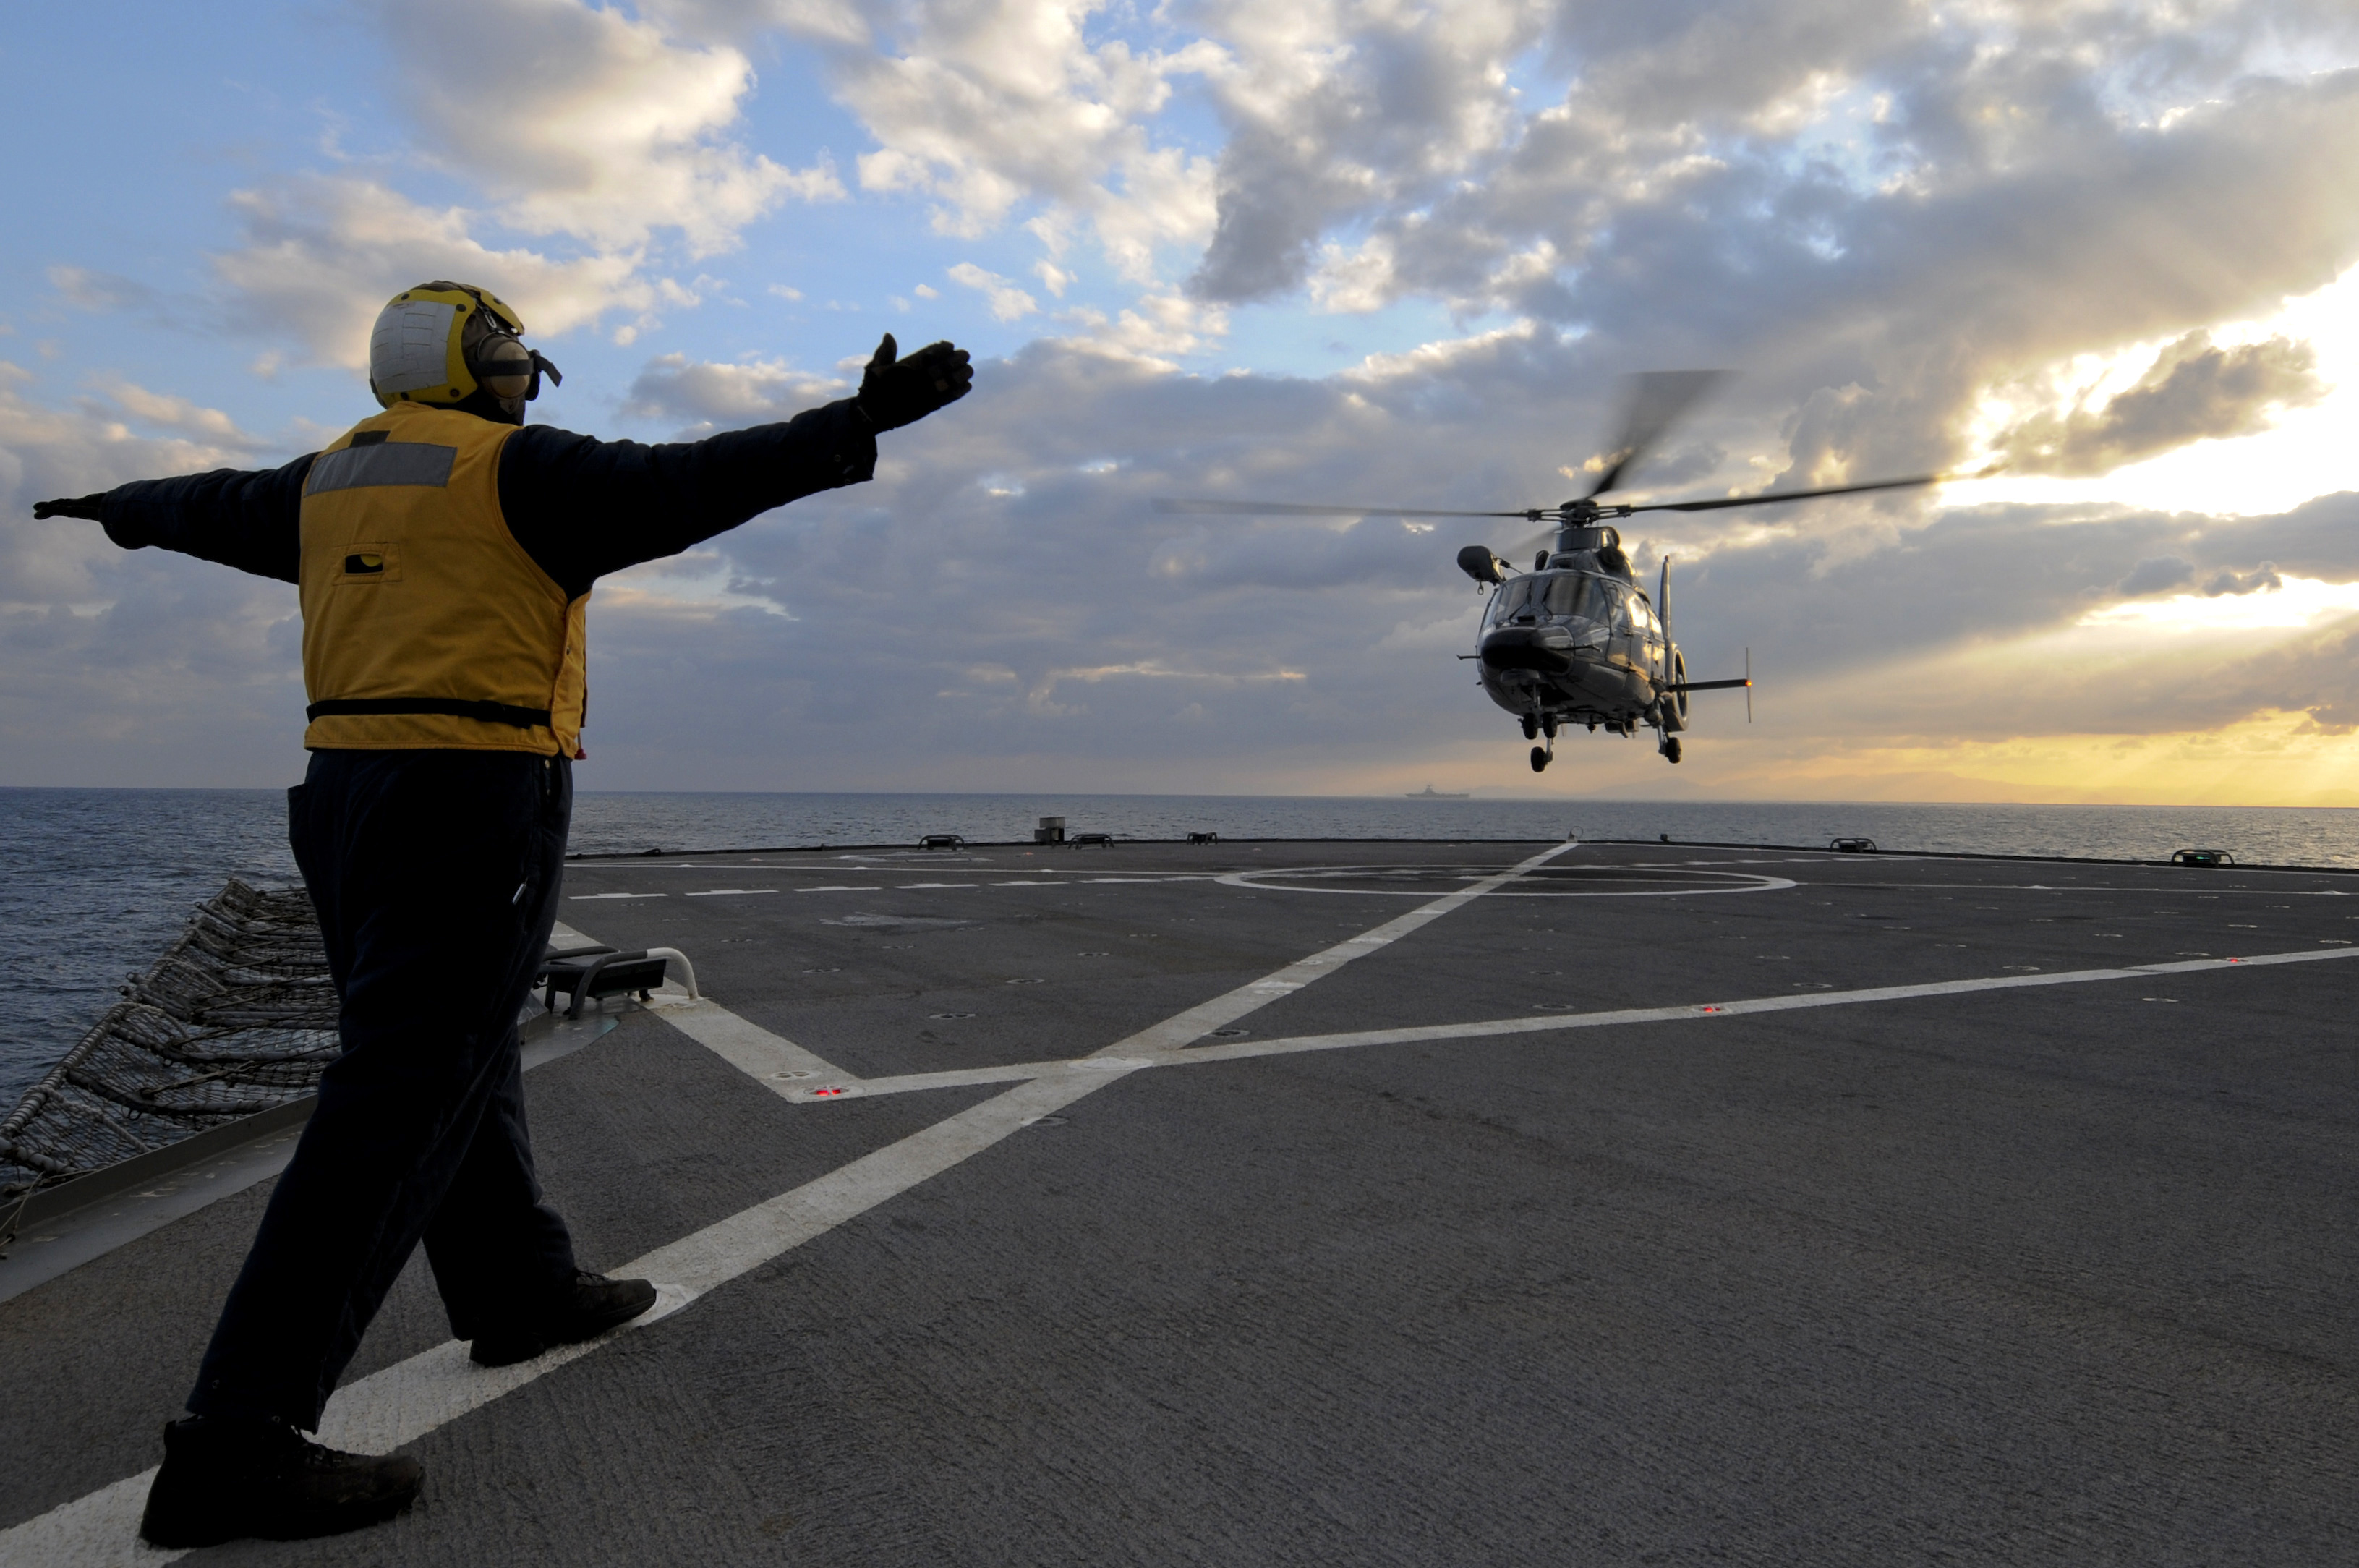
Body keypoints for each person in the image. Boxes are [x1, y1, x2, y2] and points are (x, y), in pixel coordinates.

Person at [33, 281, 972, 1548]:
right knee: (401, 1092)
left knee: (448, 1048)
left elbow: (195, 501)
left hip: (342, 795)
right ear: (485, 366)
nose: (522, 381)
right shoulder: (521, 472)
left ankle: (520, 1287)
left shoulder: (320, 485)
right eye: (516, 364)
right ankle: (235, 1441)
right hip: (471, 792)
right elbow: (695, 479)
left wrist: (113, 511)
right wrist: (858, 417)